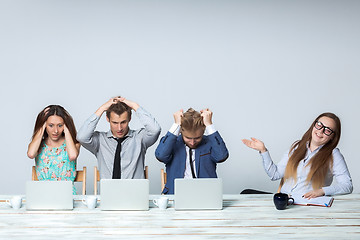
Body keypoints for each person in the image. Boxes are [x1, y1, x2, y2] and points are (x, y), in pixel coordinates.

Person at [242, 112, 353, 199]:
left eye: (327, 130)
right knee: (246, 193)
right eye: (319, 125)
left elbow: (347, 185)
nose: (321, 131)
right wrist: (263, 150)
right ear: (314, 125)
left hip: (306, 206)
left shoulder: (333, 155)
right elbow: (274, 174)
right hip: (285, 201)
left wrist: (322, 191)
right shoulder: (297, 147)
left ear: (332, 136)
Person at [77, 96, 161, 179]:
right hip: (108, 192)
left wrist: (135, 106)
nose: (119, 128)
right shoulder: (100, 140)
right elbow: (82, 137)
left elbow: (155, 130)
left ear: (129, 119)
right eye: (115, 123)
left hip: (135, 191)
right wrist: (101, 109)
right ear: (107, 119)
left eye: (123, 122)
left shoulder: (139, 138)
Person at [156, 108, 229, 194]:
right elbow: (161, 155)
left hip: (205, 194)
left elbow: (221, 156)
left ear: (203, 132)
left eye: (197, 138)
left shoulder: (210, 143)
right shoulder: (172, 143)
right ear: (181, 132)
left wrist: (209, 125)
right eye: (188, 138)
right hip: (176, 194)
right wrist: (176, 125)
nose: (192, 142)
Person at [27, 105, 80, 194]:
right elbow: (31, 154)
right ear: (45, 126)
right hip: (43, 194)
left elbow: (73, 156)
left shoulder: (73, 143)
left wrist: (67, 129)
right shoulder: (38, 145)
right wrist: (41, 125)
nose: (55, 131)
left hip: (66, 193)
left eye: (60, 125)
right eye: (51, 125)